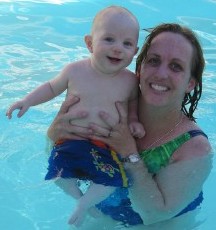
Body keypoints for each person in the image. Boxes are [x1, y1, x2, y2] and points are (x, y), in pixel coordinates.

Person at [47, 23, 213, 229]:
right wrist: (54, 134)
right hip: (98, 210)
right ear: (139, 68)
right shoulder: (109, 107)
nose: (161, 74)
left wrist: (129, 153)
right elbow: (58, 158)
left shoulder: (194, 148)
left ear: (190, 83)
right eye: (153, 61)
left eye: (176, 66)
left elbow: (154, 214)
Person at [6, 6, 145, 227]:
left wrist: (135, 121)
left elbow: (134, 104)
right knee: (58, 175)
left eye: (127, 44)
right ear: (89, 43)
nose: (118, 48)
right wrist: (27, 101)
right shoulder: (75, 71)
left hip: (105, 147)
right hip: (70, 142)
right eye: (109, 39)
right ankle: (80, 200)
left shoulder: (130, 81)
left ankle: (85, 204)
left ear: (135, 51)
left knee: (113, 181)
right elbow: (51, 87)